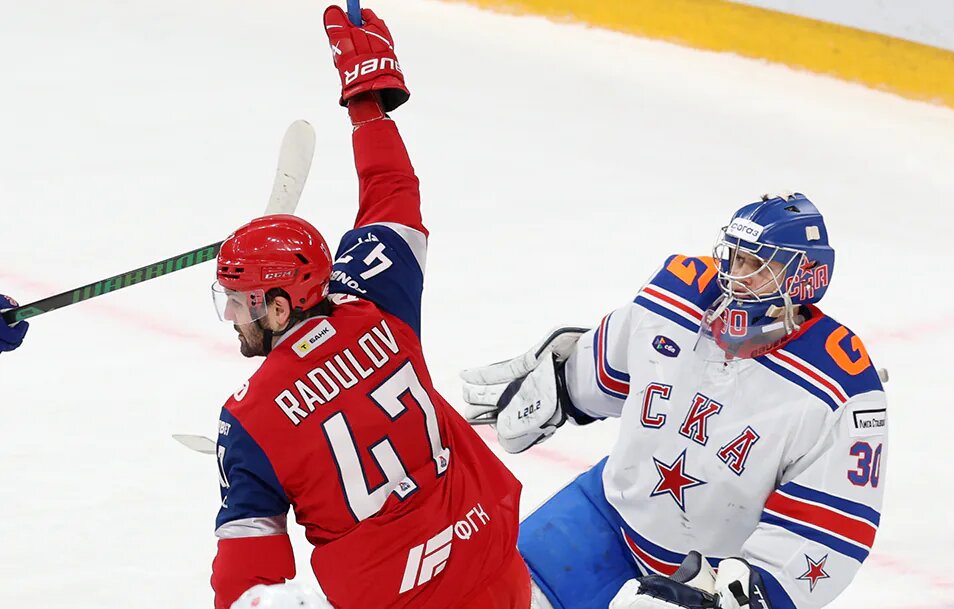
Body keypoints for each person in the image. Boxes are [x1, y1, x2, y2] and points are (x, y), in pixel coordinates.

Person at [207, 7, 529, 609]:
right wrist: (367, 107)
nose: (232, 318)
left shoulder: (249, 421)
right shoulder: (377, 299)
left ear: (278, 308)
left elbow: (247, 579)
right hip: (494, 565)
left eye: (241, 303)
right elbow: (392, 191)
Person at [462, 193, 887, 609]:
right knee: (488, 590)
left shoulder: (841, 387)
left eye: (756, 265)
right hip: (603, 516)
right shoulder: (678, 296)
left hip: (704, 578)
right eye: (734, 257)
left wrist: (746, 596)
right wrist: (562, 383)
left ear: (804, 276)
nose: (735, 276)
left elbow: (830, 534)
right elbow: (607, 372)